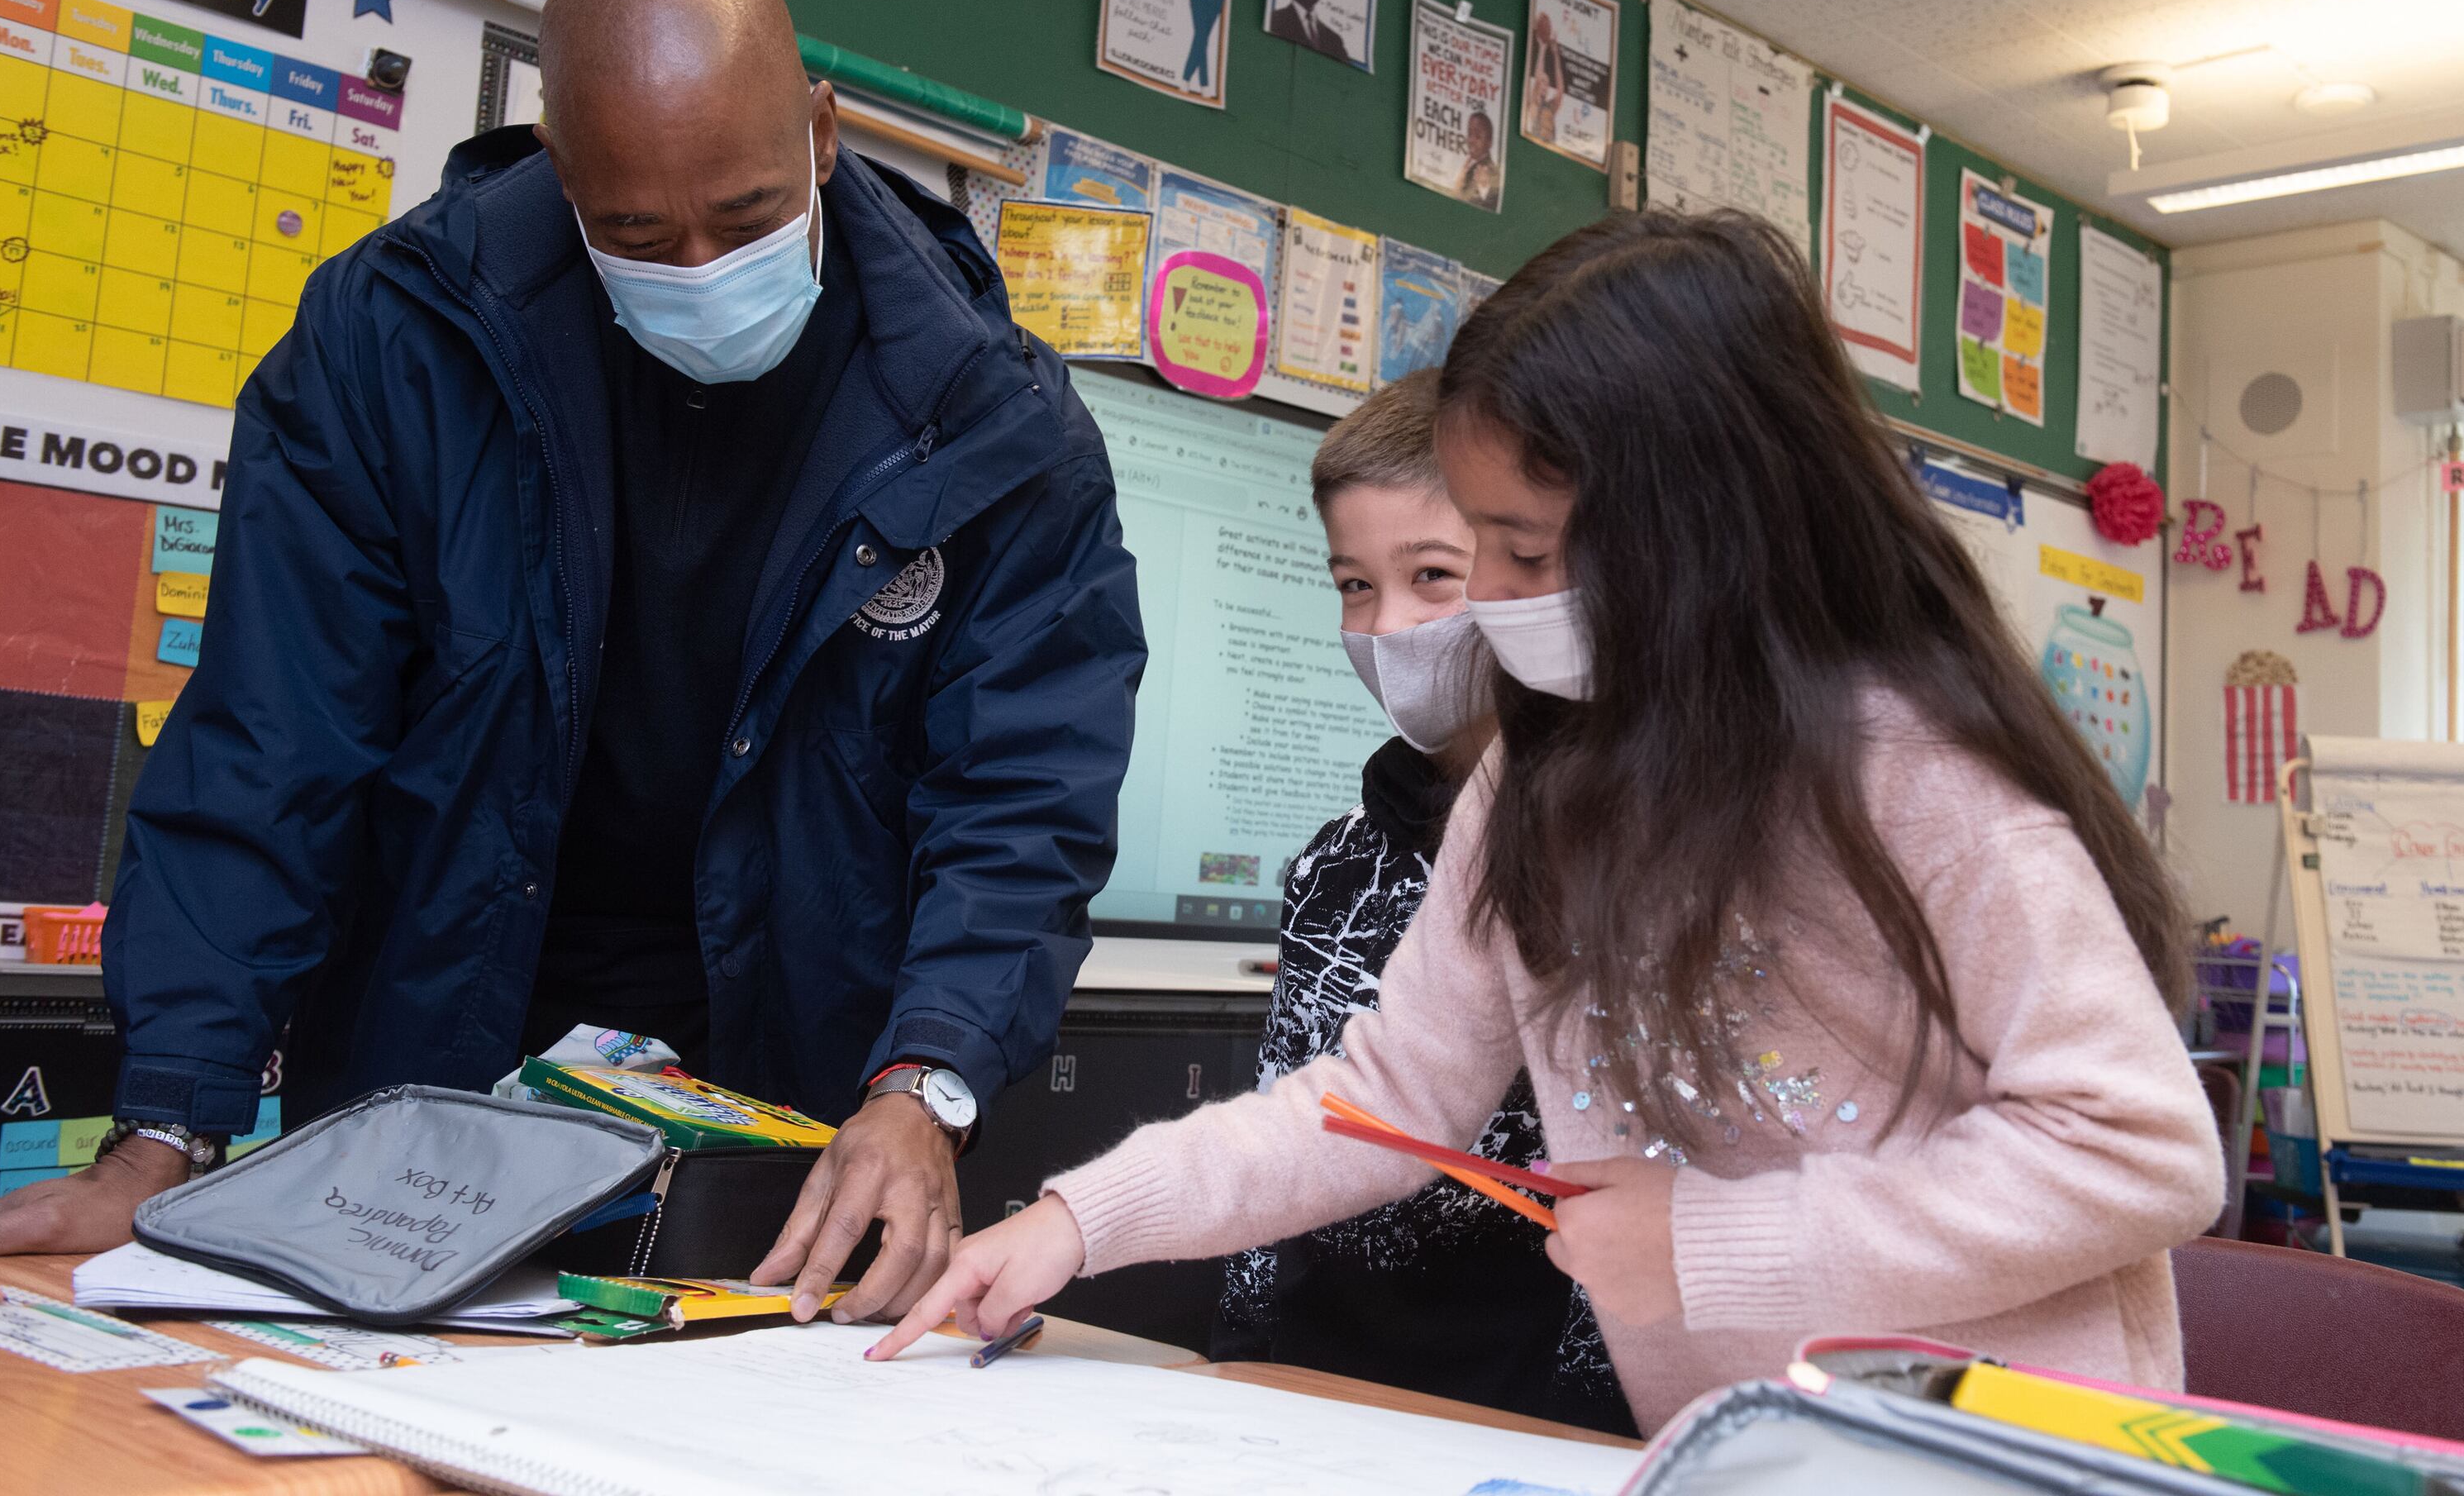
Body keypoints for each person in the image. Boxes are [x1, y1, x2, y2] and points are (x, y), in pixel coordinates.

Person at [872, 211, 2224, 1434]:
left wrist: (1711, 1246)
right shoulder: (1542, 772)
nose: (1500, 604)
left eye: (1529, 553)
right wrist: (1075, 1219)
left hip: (2003, 1455)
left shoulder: (1917, 776)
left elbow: (2138, 1148)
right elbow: (1381, 1096)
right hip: (1748, 1449)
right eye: (1489, 543)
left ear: (1707, 526)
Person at [0, 0, 1148, 1336]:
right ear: (560, 172)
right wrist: (163, 1132)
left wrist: (925, 1086)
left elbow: (1019, 807)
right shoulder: (394, 344)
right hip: (436, 1090)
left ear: (825, 134)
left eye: (748, 212)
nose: (704, 266)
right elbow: (272, 742)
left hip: (800, 1123)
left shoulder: (996, 426)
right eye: (644, 238)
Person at [1209, 372, 1629, 1434]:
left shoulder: (1620, 864)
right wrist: (1242, 1352)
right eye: (1354, 584)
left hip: (1532, 1412)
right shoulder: (1336, 862)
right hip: (1316, 1389)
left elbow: (1624, 1185)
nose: (1386, 624)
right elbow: (1288, 1111)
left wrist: (1583, 1426)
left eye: (1432, 576)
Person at [1524, 12, 1564, 145]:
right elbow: (1538, 78)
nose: (1544, 85)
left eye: (1547, 83)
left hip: (1552, 145)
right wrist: (1542, 48)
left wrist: (1556, 54)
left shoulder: (1551, 107)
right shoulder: (1534, 105)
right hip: (1535, 143)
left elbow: (1560, 89)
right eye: (1542, 82)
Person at [1458, 110, 1501, 211]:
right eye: (1470, 134)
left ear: (1489, 142)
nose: (1471, 140)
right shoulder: (1468, 167)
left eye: (1478, 136)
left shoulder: (1491, 171)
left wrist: (1484, 188)